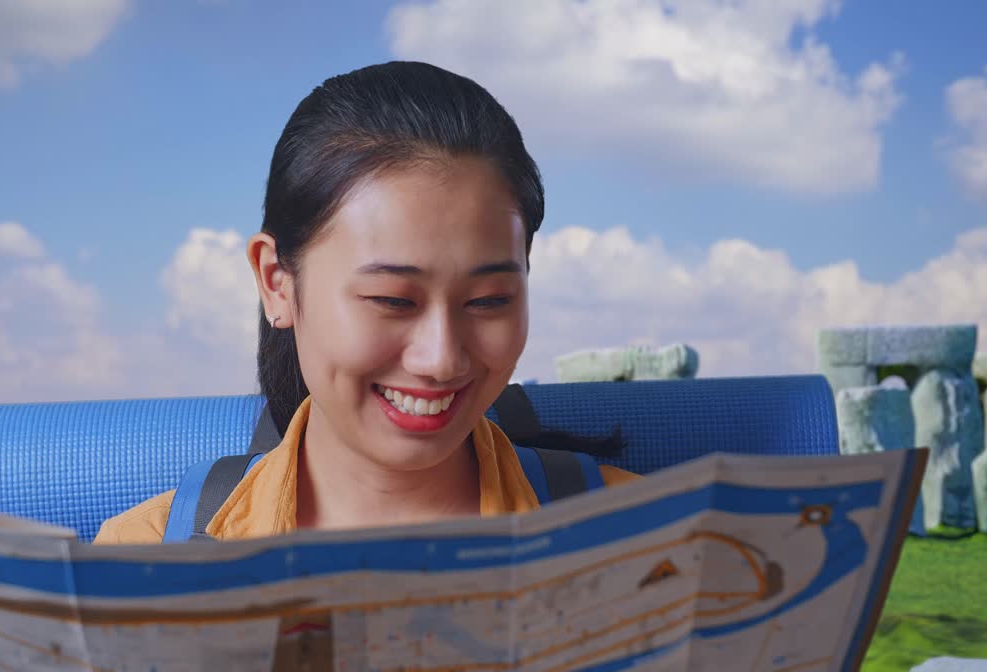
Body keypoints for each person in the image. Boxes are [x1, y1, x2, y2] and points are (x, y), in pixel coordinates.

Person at [94, 61, 636, 545]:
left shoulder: (643, 539)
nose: (442, 359)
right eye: (392, 300)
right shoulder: (140, 556)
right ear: (276, 282)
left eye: (489, 300)